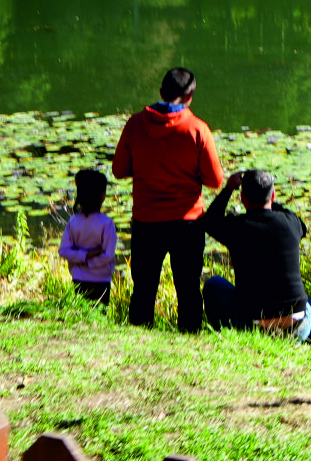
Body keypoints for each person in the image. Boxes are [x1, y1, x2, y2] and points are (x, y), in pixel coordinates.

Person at [111, 67, 224, 332]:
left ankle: (139, 334)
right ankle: (190, 336)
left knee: (144, 287)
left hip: (146, 220)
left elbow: (119, 170)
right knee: (188, 287)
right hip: (187, 223)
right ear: (191, 95)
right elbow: (215, 180)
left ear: (161, 93)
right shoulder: (197, 129)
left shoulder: (136, 124)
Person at [200, 167, 311, 341]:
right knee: (308, 304)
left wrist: (229, 188)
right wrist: (267, 198)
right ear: (273, 196)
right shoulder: (292, 223)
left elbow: (209, 221)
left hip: (251, 323)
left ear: (242, 198)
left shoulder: (237, 228)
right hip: (297, 328)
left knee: (213, 285)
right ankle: (289, 337)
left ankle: (239, 332)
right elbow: (300, 224)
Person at [57, 168, 117, 306]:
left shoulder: (73, 221)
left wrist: (83, 258)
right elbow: (108, 255)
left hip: (78, 277)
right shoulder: (107, 223)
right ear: (102, 195)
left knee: (82, 313)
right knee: (99, 316)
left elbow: (64, 251)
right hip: (101, 279)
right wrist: (89, 258)